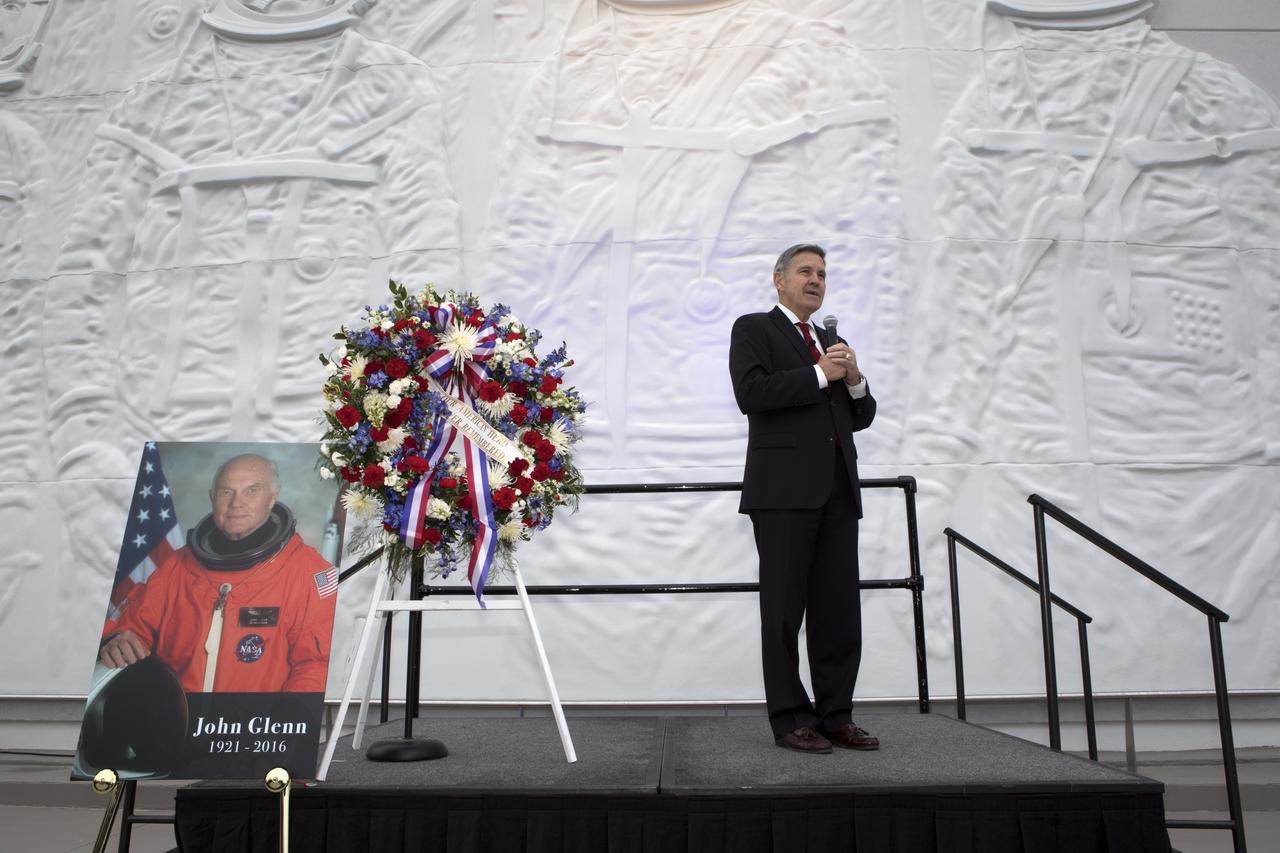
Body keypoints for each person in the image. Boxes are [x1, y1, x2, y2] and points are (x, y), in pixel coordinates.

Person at [728, 244, 878, 754]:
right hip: (784, 493)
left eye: (822, 274)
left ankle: (836, 714)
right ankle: (791, 717)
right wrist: (819, 374)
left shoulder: (832, 340)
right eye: (805, 272)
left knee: (839, 610)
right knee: (784, 609)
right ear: (779, 280)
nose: (816, 280)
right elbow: (752, 395)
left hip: (838, 489)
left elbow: (860, 416)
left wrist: (854, 380)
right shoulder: (754, 328)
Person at [99, 454, 337, 693]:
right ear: (212, 498)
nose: (236, 503)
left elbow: (316, 665)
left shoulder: (309, 572)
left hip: (259, 724)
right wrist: (116, 640)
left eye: (251, 491)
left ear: (273, 496)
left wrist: (282, 722)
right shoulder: (177, 567)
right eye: (226, 492)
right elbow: (131, 629)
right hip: (178, 722)